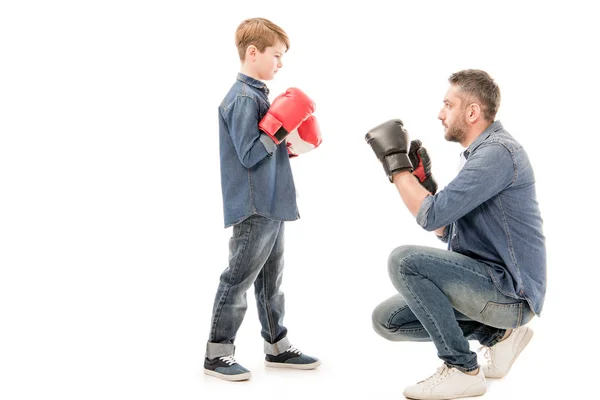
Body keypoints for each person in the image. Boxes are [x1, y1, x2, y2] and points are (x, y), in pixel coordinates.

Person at [365, 69, 546, 399]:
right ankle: (499, 337)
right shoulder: (480, 155)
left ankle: (462, 369)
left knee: (404, 262)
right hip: (488, 286)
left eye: (448, 105)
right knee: (386, 320)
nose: (440, 113)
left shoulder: (497, 153)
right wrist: (427, 188)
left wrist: (396, 165)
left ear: (473, 111)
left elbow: (429, 215)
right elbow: (444, 228)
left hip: (510, 294)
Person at [203, 18, 322, 382]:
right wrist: (281, 127)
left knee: (271, 279)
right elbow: (249, 154)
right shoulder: (242, 98)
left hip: (273, 202)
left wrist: (290, 142)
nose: (280, 63)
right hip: (254, 206)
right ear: (252, 53)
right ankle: (217, 353)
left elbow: (267, 151)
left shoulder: (259, 96)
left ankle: (277, 346)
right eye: (276, 55)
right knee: (238, 277)